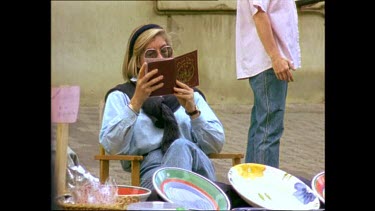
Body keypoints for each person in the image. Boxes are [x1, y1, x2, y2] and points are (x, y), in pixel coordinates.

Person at [99, 23, 225, 190]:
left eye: (165, 51)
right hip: (152, 173)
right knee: (175, 161)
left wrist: (193, 112)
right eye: (151, 54)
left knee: (181, 146)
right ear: (137, 62)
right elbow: (112, 146)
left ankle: (173, 201)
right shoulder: (122, 96)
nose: (160, 58)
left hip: (197, 170)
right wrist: (136, 103)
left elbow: (216, 144)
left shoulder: (188, 93)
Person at [235, 0, 301, 168]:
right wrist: (275, 57)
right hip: (268, 63)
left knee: (261, 125)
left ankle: (251, 184)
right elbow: (259, 14)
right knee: (268, 129)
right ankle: (264, 188)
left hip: (267, 62)